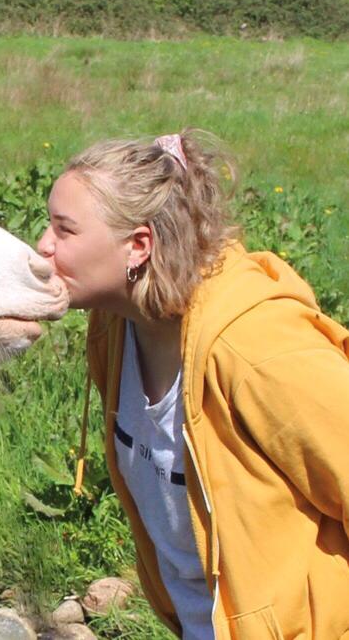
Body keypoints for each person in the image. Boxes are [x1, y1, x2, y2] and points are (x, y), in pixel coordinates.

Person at [36, 131, 349, 639]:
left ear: (138, 246)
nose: (43, 245)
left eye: (64, 230)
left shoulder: (257, 350)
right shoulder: (114, 329)